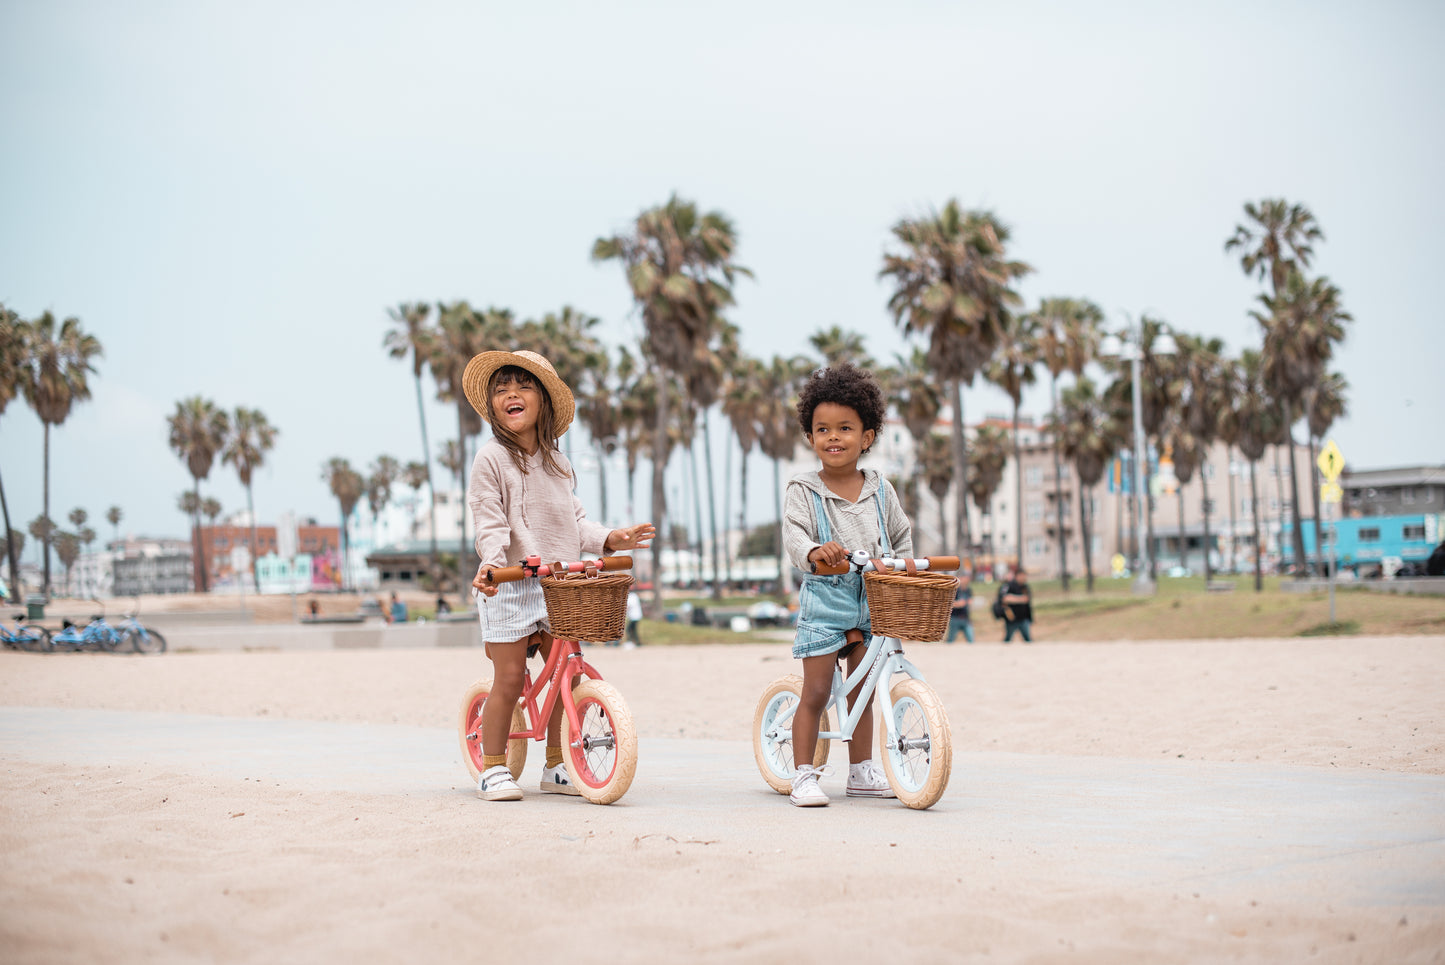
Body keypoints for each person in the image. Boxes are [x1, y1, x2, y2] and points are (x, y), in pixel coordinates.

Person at [464, 349, 654, 802]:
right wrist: (492, 562)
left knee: (566, 675)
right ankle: (493, 767)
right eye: (501, 388)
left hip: (558, 585)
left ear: (544, 400)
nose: (511, 393)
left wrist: (613, 538)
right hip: (509, 583)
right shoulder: (490, 459)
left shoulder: (558, 463)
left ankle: (555, 765)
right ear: (492, 404)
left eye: (523, 385)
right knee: (509, 680)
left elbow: (576, 523)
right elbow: (489, 519)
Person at [782, 363, 913, 808]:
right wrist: (815, 552)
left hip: (872, 604)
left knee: (862, 689)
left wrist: (904, 567)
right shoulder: (804, 488)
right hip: (826, 606)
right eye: (822, 429)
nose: (833, 437)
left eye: (845, 428)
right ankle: (803, 775)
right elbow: (795, 535)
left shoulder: (880, 489)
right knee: (817, 692)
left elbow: (901, 537)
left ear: (868, 436)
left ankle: (861, 771)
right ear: (810, 437)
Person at [1001, 567, 1033, 643]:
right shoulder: (1009, 585)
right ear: (1017, 576)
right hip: (1012, 618)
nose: (1024, 578)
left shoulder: (1025, 587)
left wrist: (1013, 598)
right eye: (1022, 576)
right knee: (1008, 639)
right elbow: (1005, 598)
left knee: (1028, 639)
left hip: (1023, 618)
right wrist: (1020, 599)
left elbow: (1027, 599)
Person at [946, 571, 973, 643]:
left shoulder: (968, 590)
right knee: (951, 640)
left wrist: (969, 602)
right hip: (955, 618)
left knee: (971, 639)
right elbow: (949, 603)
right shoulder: (955, 590)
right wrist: (958, 604)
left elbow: (970, 600)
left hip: (965, 618)